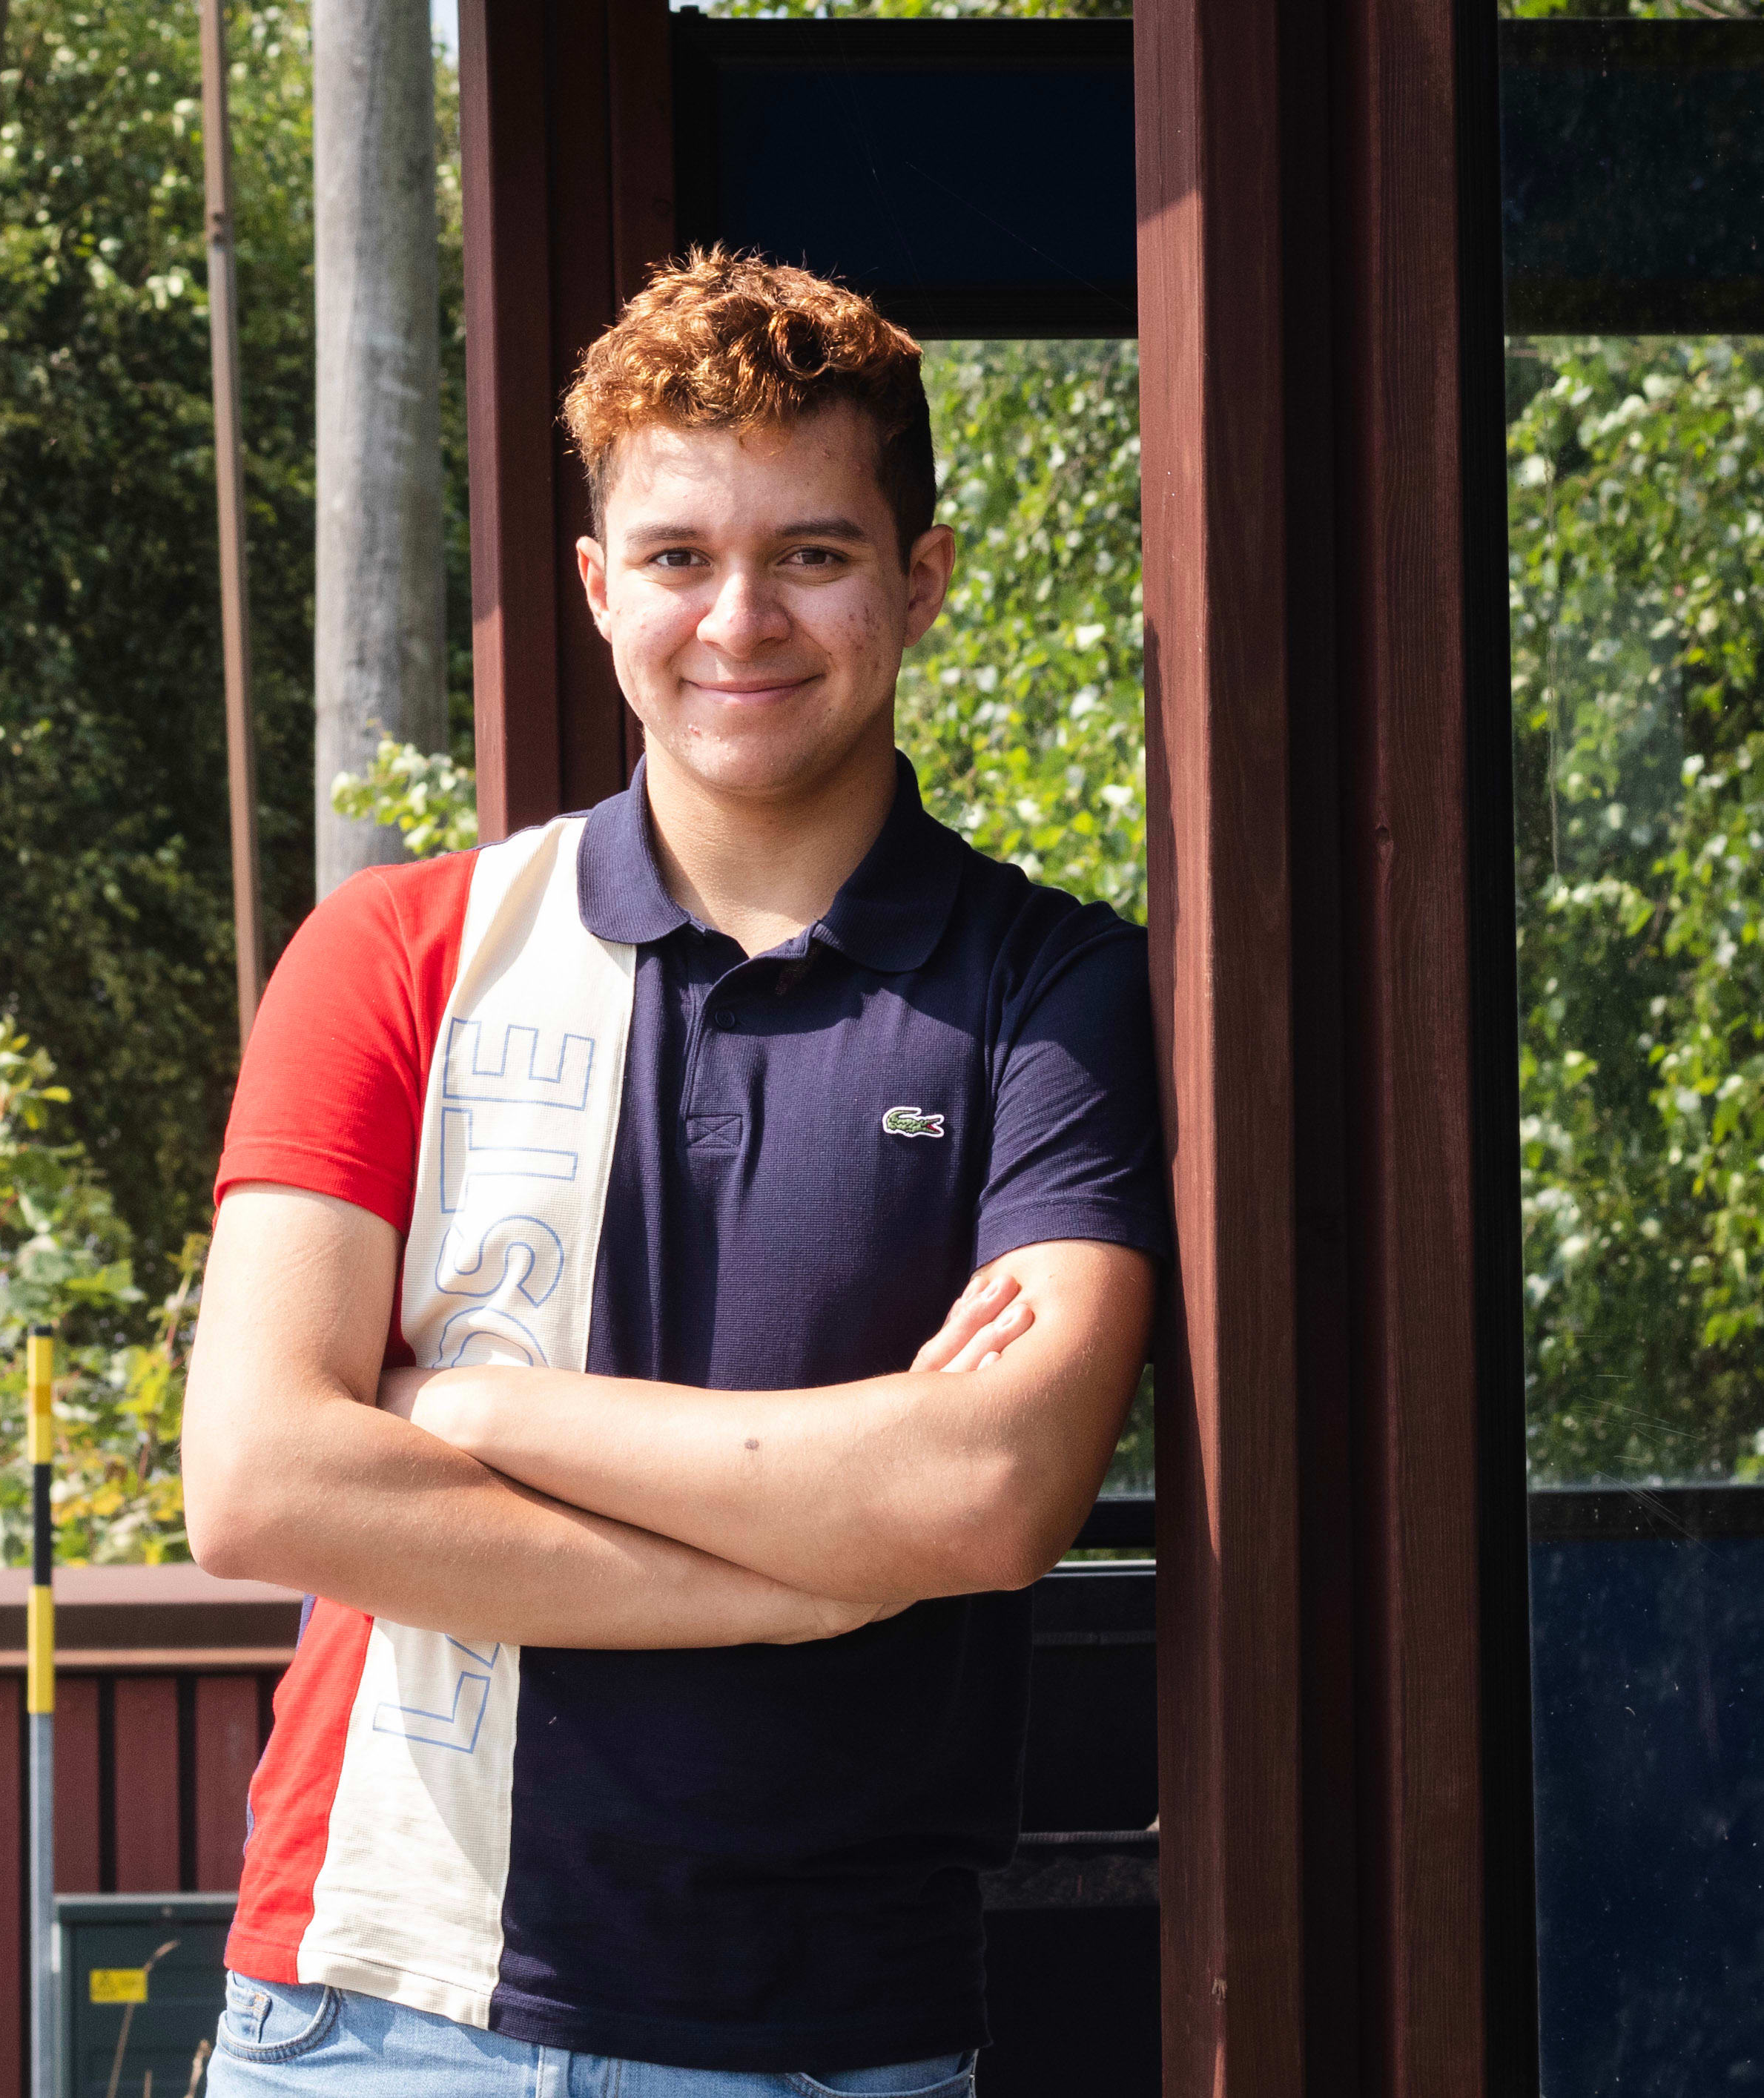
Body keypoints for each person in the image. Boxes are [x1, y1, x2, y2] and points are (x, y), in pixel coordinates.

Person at [180, 248, 1167, 2097]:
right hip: (378, 2010)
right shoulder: (397, 953)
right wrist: (800, 1569)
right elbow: (257, 1479)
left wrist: (465, 1405)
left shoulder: (1054, 991)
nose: (738, 619)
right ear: (594, 587)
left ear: (921, 578)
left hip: (832, 2041)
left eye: (812, 551)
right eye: (676, 557)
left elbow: (983, 1488)